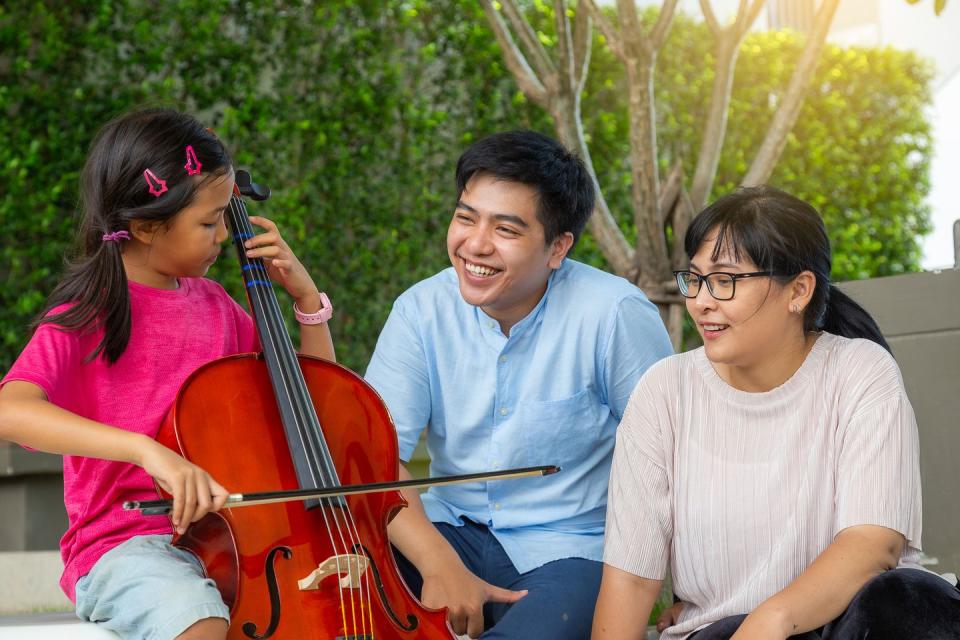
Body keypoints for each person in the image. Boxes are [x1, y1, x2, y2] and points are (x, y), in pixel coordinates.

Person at [0, 108, 335, 640]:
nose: (224, 234)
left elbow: (313, 406)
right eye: (208, 221)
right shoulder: (93, 310)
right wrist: (145, 449)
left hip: (232, 534)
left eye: (226, 216)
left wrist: (306, 300)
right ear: (146, 225)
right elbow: (10, 410)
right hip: (125, 545)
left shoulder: (219, 306)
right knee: (198, 621)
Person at [592, 186, 960, 639]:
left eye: (725, 280)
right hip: (722, 632)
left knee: (902, 596)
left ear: (799, 290)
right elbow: (630, 578)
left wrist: (772, 619)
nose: (701, 301)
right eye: (695, 278)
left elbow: (872, 545)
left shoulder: (860, 371)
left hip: (855, 624)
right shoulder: (664, 392)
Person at [364, 130, 673, 639]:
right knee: (343, 601)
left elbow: (673, 459)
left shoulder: (614, 314)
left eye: (506, 229)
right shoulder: (420, 310)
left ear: (558, 247)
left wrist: (688, 591)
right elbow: (375, 457)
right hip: (448, 529)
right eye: (466, 217)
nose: (475, 244)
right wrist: (440, 562)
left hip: (571, 549)